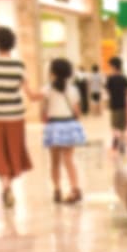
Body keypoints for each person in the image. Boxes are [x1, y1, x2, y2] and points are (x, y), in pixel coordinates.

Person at [0, 25, 39, 208]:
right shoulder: (18, 65)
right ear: (13, 43)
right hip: (14, 116)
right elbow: (29, 93)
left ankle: (5, 183)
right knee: (13, 151)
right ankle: (7, 185)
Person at [42, 57, 85, 203]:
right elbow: (77, 112)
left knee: (54, 162)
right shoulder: (73, 90)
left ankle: (57, 190)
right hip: (68, 124)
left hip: (54, 126)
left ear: (52, 72)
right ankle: (74, 188)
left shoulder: (47, 89)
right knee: (69, 159)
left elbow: (42, 109)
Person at [104, 56, 127, 154]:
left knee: (115, 126)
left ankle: (115, 143)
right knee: (123, 126)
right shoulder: (124, 78)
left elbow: (107, 91)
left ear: (113, 66)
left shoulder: (110, 79)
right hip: (123, 105)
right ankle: (122, 145)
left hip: (114, 105)